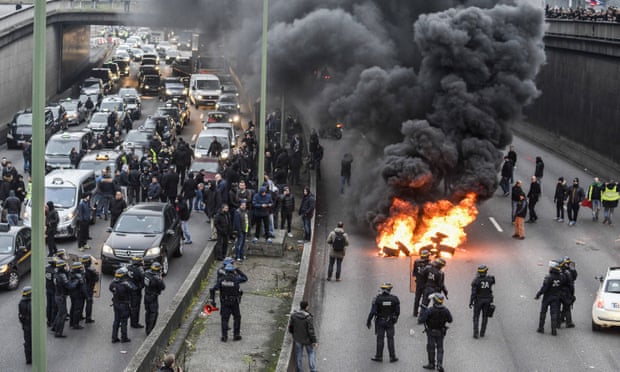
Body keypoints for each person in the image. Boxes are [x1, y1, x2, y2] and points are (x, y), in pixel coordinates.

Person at [209, 264, 248, 342]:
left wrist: (212, 301)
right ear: (232, 271)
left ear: (226, 271)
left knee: (224, 319)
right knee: (237, 317)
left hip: (224, 302)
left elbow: (213, 289)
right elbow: (245, 278)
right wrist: (238, 270)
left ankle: (224, 336)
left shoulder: (221, 280)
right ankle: (236, 335)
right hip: (234, 302)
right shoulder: (236, 279)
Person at [366, 282, 400, 363]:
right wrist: (394, 319)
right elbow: (397, 312)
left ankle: (379, 356)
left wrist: (369, 320)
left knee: (380, 339)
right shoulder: (395, 299)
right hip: (390, 322)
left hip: (380, 321)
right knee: (390, 339)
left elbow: (373, 312)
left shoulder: (377, 299)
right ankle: (392, 357)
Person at [535, 261, 570, 335]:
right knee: (553, 314)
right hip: (556, 297)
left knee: (543, 313)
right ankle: (554, 330)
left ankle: (541, 328)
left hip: (547, 297)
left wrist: (538, 294)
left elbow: (544, 288)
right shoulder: (561, 277)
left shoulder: (549, 277)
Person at [420, 293, 452, 372]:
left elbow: (422, 320)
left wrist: (424, 312)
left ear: (434, 301)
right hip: (441, 332)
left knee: (431, 348)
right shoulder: (445, 310)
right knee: (440, 348)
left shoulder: (430, 310)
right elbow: (450, 320)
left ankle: (431, 364)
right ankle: (439, 364)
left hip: (431, 332)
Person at [289, 300, 318, 372]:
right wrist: (314, 341)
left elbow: (291, 327)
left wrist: (293, 334)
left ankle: (300, 370)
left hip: (298, 339)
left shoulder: (294, 315)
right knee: (311, 353)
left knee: (299, 354)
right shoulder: (308, 318)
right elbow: (311, 331)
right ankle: (313, 370)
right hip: (307, 340)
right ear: (306, 307)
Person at [110, 267, 135, 343]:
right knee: (124, 321)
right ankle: (124, 338)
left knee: (116, 321)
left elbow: (111, 289)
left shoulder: (113, 283)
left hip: (116, 304)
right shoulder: (125, 285)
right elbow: (134, 288)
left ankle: (114, 337)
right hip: (124, 305)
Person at [469, 265, 495, 339]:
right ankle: (482, 332)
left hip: (478, 301)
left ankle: (475, 333)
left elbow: (473, 293)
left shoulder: (476, 281)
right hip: (487, 300)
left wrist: (471, 302)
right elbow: (493, 282)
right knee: (485, 317)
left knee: (476, 317)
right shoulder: (490, 279)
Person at [144, 262, 166, 336]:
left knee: (147, 312)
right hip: (153, 297)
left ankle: (147, 328)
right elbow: (163, 287)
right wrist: (160, 278)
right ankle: (150, 331)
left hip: (146, 295)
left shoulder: (146, 273)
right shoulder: (157, 278)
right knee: (154, 313)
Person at [52, 259, 71, 338]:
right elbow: (68, 285)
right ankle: (58, 332)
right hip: (61, 296)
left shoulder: (56, 274)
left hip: (57, 295)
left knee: (59, 313)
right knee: (63, 314)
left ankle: (54, 327)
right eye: (64, 266)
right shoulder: (62, 275)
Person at [558, 256, 577, 328]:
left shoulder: (563, 271)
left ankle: (560, 321)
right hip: (565, 292)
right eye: (567, 263)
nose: (568, 264)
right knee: (566, 307)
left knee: (564, 307)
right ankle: (567, 322)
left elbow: (574, 277)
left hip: (561, 292)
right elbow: (572, 282)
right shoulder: (567, 272)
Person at [127, 256, 145, 329]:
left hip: (129, 289)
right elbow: (143, 282)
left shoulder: (128, 268)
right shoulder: (139, 271)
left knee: (131, 306)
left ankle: (132, 321)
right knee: (135, 307)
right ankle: (134, 323)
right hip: (136, 292)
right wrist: (139, 287)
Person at [412, 250, 431, 317]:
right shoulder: (429, 265)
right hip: (426, 284)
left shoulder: (416, 262)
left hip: (418, 283)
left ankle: (415, 312)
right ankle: (422, 313)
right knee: (424, 299)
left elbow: (414, 273)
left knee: (417, 298)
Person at [68, 262, 86, 330]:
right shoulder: (79, 277)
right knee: (77, 310)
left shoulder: (71, 274)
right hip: (78, 295)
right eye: (80, 268)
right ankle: (75, 324)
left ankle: (71, 322)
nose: (81, 268)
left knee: (72, 308)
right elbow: (83, 288)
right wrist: (87, 296)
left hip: (72, 294)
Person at [81, 255, 98, 324]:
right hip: (89, 288)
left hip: (81, 288)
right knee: (89, 303)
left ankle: (79, 316)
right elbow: (96, 279)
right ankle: (88, 318)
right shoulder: (91, 270)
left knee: (81, 303)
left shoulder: (80, 269)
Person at [18, 286, 32, 364]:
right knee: (31, 341)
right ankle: (32, 357)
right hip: (30, 325)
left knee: (27, 342)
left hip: (25, 325)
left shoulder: (21, 302)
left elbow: (20, 315)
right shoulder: (30, 303)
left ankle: (28, 358)